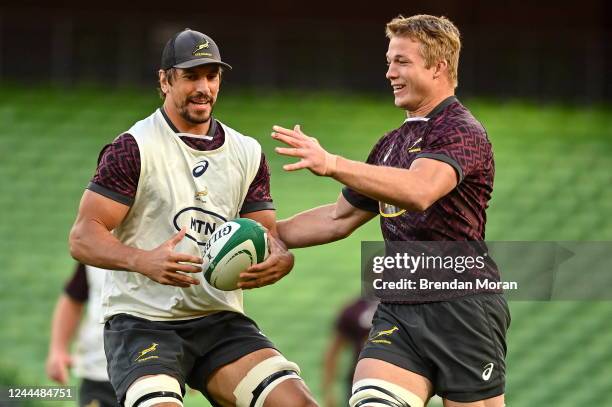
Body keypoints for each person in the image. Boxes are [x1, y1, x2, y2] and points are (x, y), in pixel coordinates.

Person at [244, 14, 510, 407]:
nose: (389, 72)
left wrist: (332, 163)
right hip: (399, 310)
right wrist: (257, 236)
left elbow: (420, 190)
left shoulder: (461, 129)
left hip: (463, 309)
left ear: (438, 67)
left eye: (402, 61)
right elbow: (338, 218)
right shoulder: (390, 145)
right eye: (389, 61)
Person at [69, 28, 317, 407]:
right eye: (191, 76)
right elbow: (83, 236)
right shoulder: (133, 148)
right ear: (165, 80)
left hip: (218, 319)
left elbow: (267, 234)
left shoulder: (247, 152)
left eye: (211, 76)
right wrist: (143, 260)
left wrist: (280, 256)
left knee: (296, 403)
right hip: (142, 322)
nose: (203, 87)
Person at [46, 262, 118, 407]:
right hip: (98, 371)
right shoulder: (93, 245)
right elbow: (73, 297)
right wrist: (58, 350)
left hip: (155, 373)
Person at [321, 298, 376, 407]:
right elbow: (333, 351)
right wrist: (328, 391)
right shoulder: (354, 310)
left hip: (400, 381)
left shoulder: (408, 307)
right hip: (360, 384)